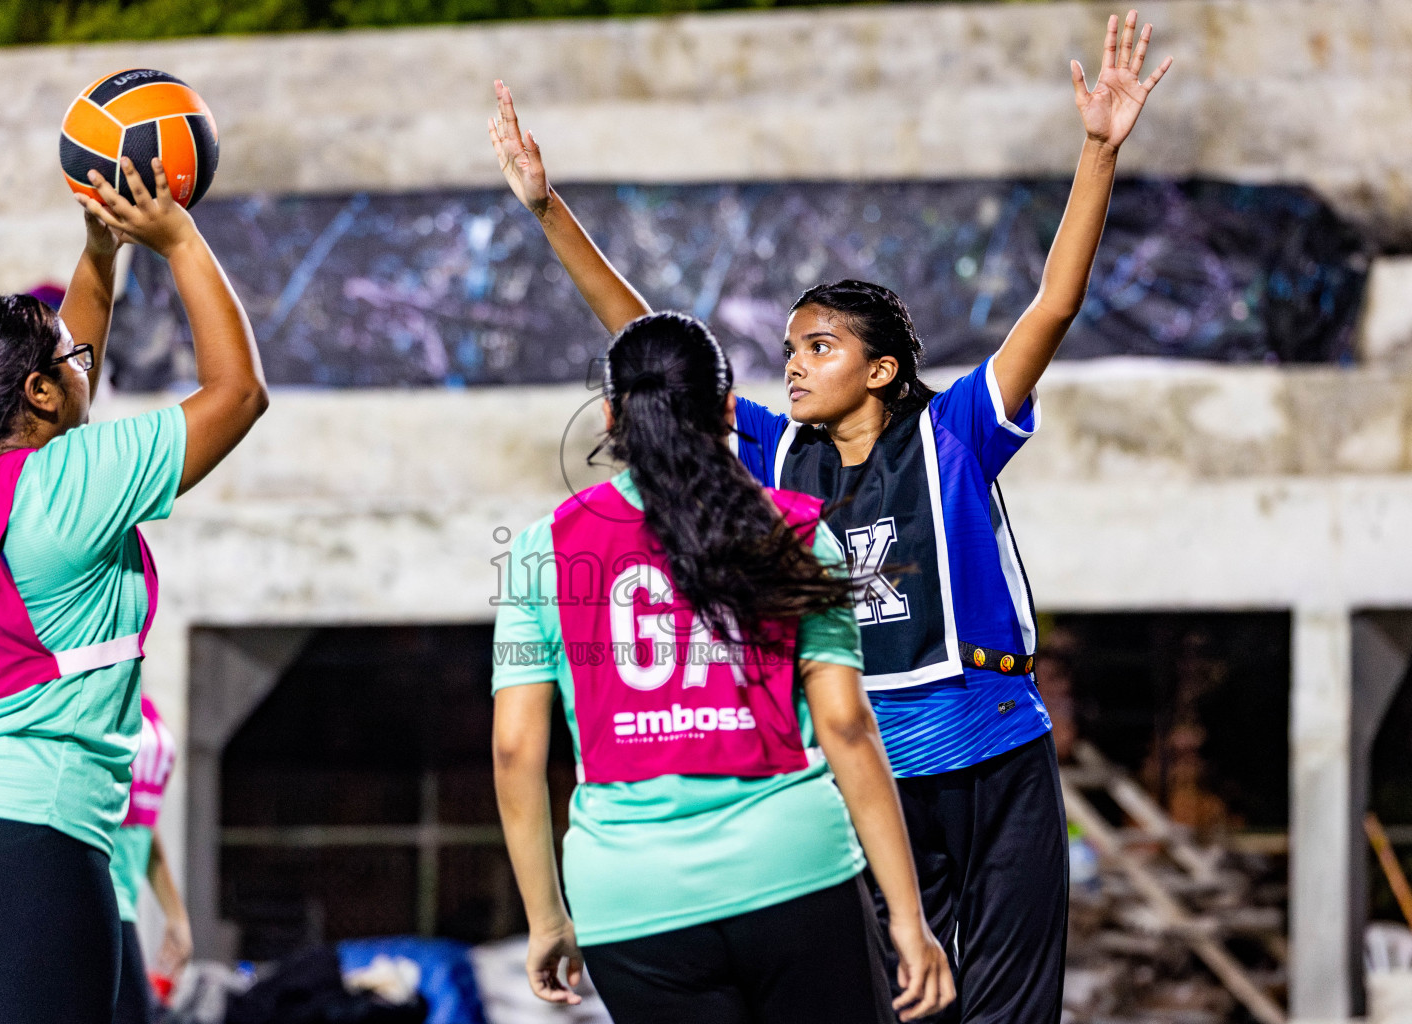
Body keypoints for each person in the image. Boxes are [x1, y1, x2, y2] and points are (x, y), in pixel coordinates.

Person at [489, 12, 1169, 1021]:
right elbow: (651, 343)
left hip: (993, 748)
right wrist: (549, 212)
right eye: (794, 347)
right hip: (875, 775)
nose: (795, 362)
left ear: (883, 370)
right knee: (911, 1000)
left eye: (820, 347)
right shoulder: (778, 458)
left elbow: (1055, 304)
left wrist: (1099, 151)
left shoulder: (959, 431)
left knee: (1013, 1010)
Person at [0, 156, 268, 1024]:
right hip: (16, 835)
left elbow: (64, 360)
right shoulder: (71, 481)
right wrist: (177, 237)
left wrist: (99, 253)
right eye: (73, 362)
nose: (93, 365)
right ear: (42, 393)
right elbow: (239, 392)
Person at [491, 312, 953, 1023]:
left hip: (629, 898)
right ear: (730, 409)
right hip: (794, 870)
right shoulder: (795, 532)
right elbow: (848, 728)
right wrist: (908, 917)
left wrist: (547, 916)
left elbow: (516, 749)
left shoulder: (538, 552)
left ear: (613, 416)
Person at [111, 696, 192, 1024]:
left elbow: (144, 819)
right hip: (95, 890)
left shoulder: (140, 698)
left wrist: (175, 913)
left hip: (124, 901)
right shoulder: (78, 677)